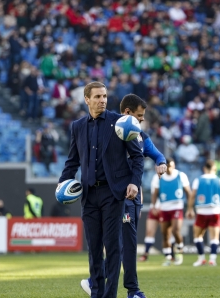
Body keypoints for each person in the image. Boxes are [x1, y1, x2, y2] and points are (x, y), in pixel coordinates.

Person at [59, 82, 144, 298]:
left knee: (113, 249)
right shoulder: (77, 126)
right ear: (86, 99)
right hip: (88, 195)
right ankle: (96, 294)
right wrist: (63, 183)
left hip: (113, 194)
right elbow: (72, 161)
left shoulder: (121, 122)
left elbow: (137, 156)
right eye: (97, 96)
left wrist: (134, 182)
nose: (102, 100)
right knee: (94, 250)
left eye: (104, 96)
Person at [80, 94, 166, 298]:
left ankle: (100, 282)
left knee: (127, 242)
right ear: (127, 113)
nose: (143, 120)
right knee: (121, 243)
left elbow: (157, 153)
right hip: (117, 196)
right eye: (139, 115)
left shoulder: (140, 136)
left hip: (133, 197)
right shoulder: (109, 134)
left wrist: (161, 162)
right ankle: (130, 290)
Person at [187, 160, 220, 267]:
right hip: (215, 210)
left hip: (201, 210)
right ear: (214, 169)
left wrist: (189, 209)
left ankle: (201, 258)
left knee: (197, 235)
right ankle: (212, 259)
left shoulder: (198, 180)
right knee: (214, 237)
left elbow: (192, 196)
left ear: (204, 168)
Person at [151, 157, 192, 266]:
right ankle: (168, 257)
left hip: (177, 206)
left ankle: (179, 250)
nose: (169, 169)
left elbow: (188, 192)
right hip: (164, 208)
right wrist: (153, 206)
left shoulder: (181, 175)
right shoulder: (158, 177)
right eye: (168, 167)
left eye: (172, 167)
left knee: (175, 230)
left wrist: (190, 208)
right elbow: (155, 193)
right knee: (165, 234)